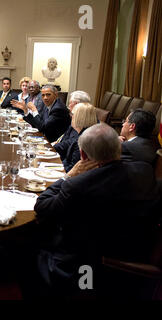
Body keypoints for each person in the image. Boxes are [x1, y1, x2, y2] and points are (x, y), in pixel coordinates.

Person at [25, 123, 160, 299]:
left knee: (27, 243)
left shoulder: (77, 185)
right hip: (135, 249)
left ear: (83, 155)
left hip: (83, 261)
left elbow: (42, 205)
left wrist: (68, 175)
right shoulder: (145, 170)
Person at [53, 90, 91, 160]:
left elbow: (72, 142)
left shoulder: (85, 121)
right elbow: (66, 136)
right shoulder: (76, 117)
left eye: (70, 103)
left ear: (76, 104)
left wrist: (52, 147)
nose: (68, 106)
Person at [62, 103, 98, 172]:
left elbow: (73, 170)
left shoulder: (83, 140)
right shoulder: (86, 133)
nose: (70, 117)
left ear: (79, 118)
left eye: (72, 115)